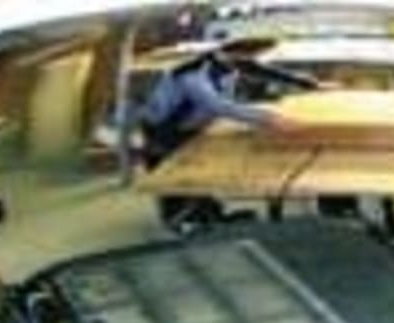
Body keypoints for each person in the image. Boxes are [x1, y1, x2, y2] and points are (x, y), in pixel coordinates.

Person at [134, 38, 319, 232]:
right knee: (174, 177)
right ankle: (181, 223)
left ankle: (210, 216)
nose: (256, 59)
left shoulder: (228, 61)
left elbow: (262, 71)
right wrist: (270, 118)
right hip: (164, 129)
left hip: (193, 125)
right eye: (254, 54)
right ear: (237, 52)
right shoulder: (192, 75)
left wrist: (306, 83)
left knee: (199, 173)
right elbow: (219, 106)